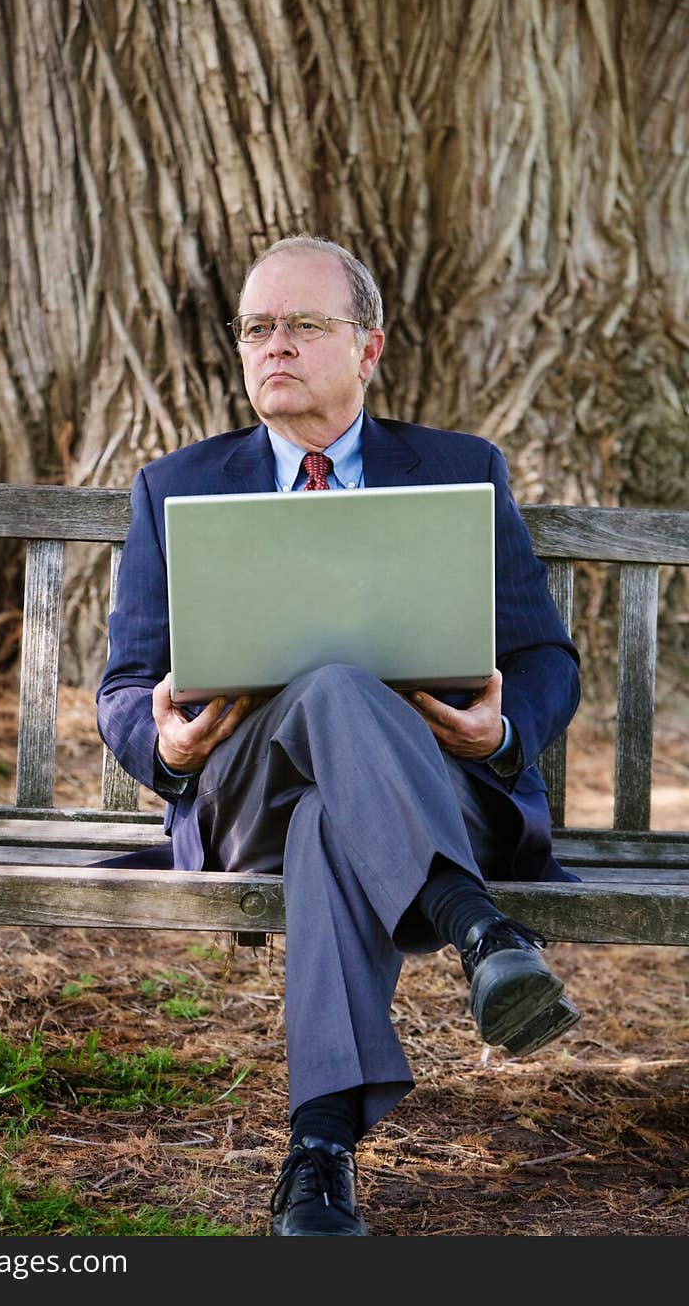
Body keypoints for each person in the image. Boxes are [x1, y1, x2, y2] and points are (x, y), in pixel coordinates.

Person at [96, 235, 581, 1236]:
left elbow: (545, 660)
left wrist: (501, 731)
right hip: (246, 799)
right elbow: (125, 687)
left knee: (332, 813)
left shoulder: (457, 469)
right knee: (325, 690)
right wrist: (164, 748)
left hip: (436, 792)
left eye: (305, 325)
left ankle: (317, 1156)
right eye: (257, 327)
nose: (275, 346)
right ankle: (476, 927)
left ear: (367, 350)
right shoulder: (174, 486)